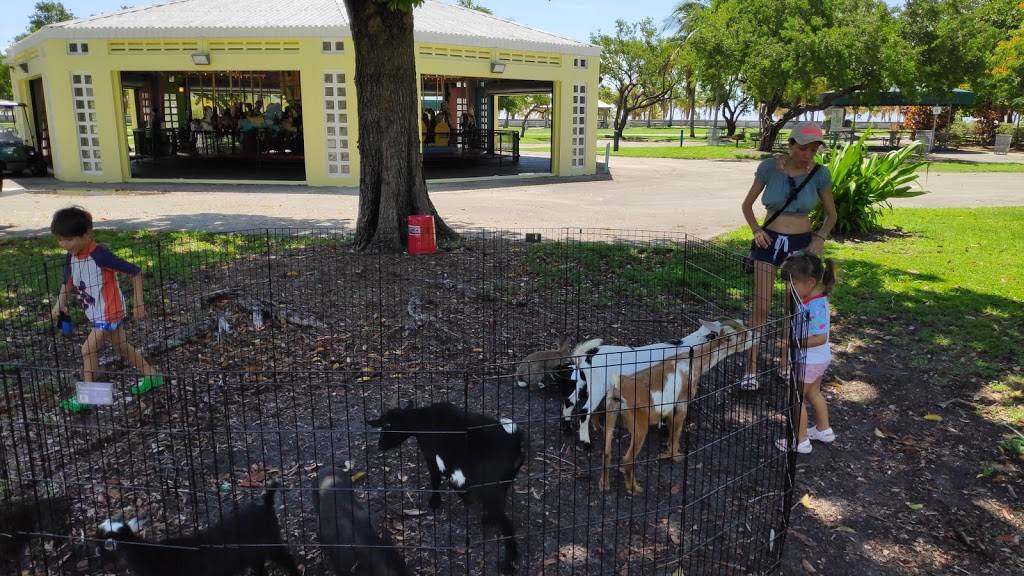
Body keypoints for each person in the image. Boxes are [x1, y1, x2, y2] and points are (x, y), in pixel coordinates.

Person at [738, 122, 838, 391]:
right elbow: (747, 205)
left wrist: (819, 238)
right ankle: (751, 367)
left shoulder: (820, 173)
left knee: (792, 308)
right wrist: (756, 229)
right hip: (768, 241)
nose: (808, 154)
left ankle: (785, 362)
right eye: (804, 147)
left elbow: (832, 214)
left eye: (814, 149)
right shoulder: (769, 168)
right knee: (761, 306)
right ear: (791, 144)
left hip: (801, 245)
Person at [48, 207, 163, 412]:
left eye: (69, 239)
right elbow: (68, 283)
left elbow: (135, 272)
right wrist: (59, 304)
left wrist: (138, 303)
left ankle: (88, 397)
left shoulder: (100, 255)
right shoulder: (71, 256)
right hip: (96, 312)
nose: (64, 244)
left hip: (109, 312)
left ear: (87, 234)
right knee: (121, 346)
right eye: (60, 239)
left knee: (87, 349)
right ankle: (152, 375)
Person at [776, 251, 837, 454]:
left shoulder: (817, 306)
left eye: (793, 282)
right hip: (818, 359)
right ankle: (824, 430)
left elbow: (820, 338)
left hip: (809, 361)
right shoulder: (810, 300)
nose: (789, 287)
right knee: (813, 393)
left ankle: (800, 441)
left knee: (796, 398)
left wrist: (792, 343)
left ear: (810, 282)